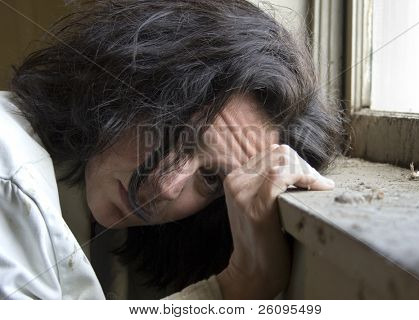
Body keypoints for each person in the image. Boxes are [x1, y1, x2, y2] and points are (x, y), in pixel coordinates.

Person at [0, 0, 343, 299]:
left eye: (210, 177)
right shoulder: (9, 168)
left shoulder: (69, 201)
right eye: (173, 132)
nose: (167, 186)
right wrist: (239, 286)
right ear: (130, 77)